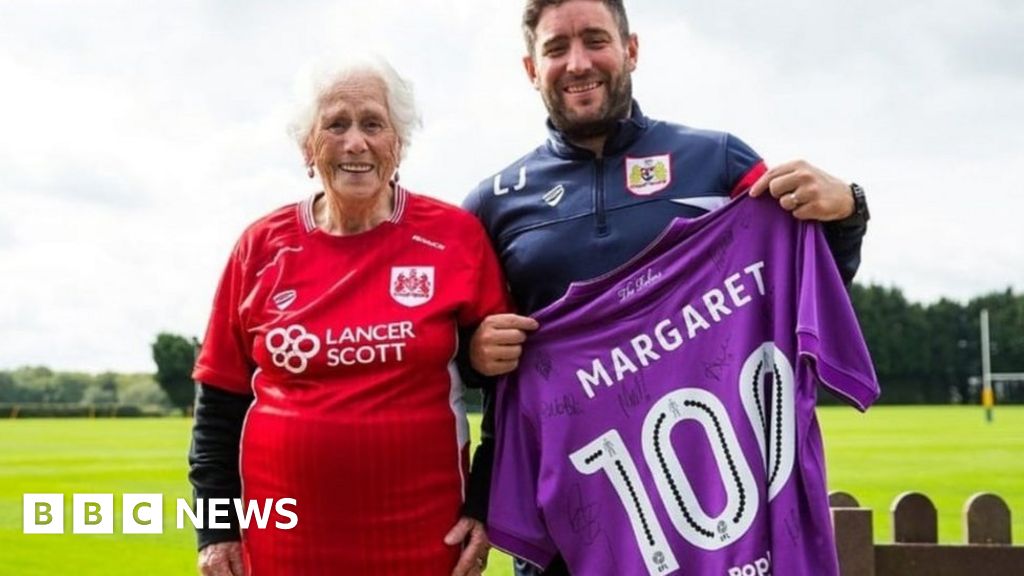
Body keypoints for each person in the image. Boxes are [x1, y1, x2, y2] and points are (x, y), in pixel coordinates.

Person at [459, 1, 872, 574]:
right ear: (532, 68)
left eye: (595, 40)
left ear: (630, 50)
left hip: (717, 519)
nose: (578, 63)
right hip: (570, 528)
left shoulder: (718, 162)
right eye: (556, 48)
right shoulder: (492, 205)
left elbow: (801, 288)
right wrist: (474, 353)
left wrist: (848, 211)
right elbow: (453, 363)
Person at [188, 56, 508, 576]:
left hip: (423, 543)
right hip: (282, 549)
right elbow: (217, 409)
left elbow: (508, 391)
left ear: (398, 143)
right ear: (307, 148)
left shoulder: (456, 237)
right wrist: (215, 531)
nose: (355, 142)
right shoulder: (259, 247)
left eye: (372, 124)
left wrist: (486, 504)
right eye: (336, 124)